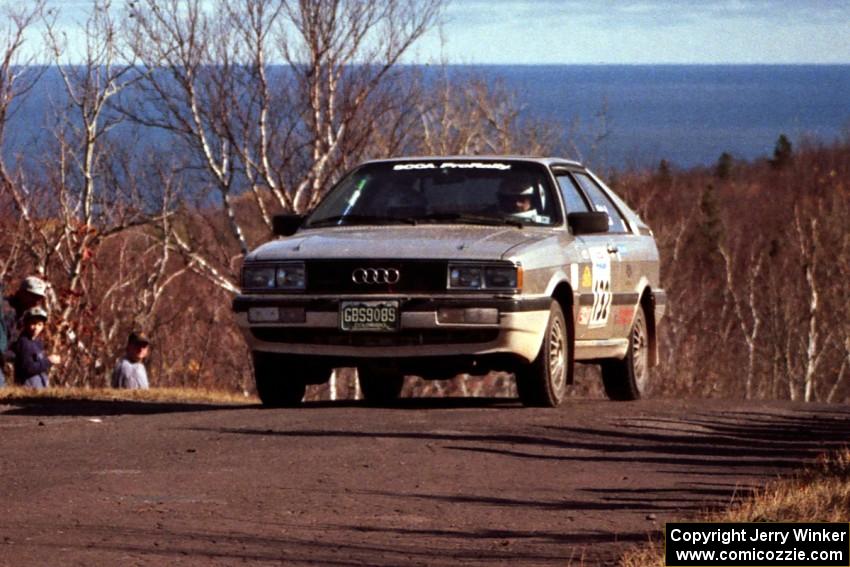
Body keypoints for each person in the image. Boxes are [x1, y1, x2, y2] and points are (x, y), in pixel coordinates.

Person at [2, 277, 49, 387]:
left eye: (39, 298)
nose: (36, 301)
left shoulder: (23, 313)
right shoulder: (5, 309)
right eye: (33, 296)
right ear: (22, 293)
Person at [12, 307, 60, 389]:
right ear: (26, 324)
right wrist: (48, 361)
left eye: (39, 324)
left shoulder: (38, 342)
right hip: (27, 388)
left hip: (39, 386)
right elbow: (28, 369)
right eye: (33, 323)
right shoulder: (24, 343)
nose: (36, 328)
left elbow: (39, 365)